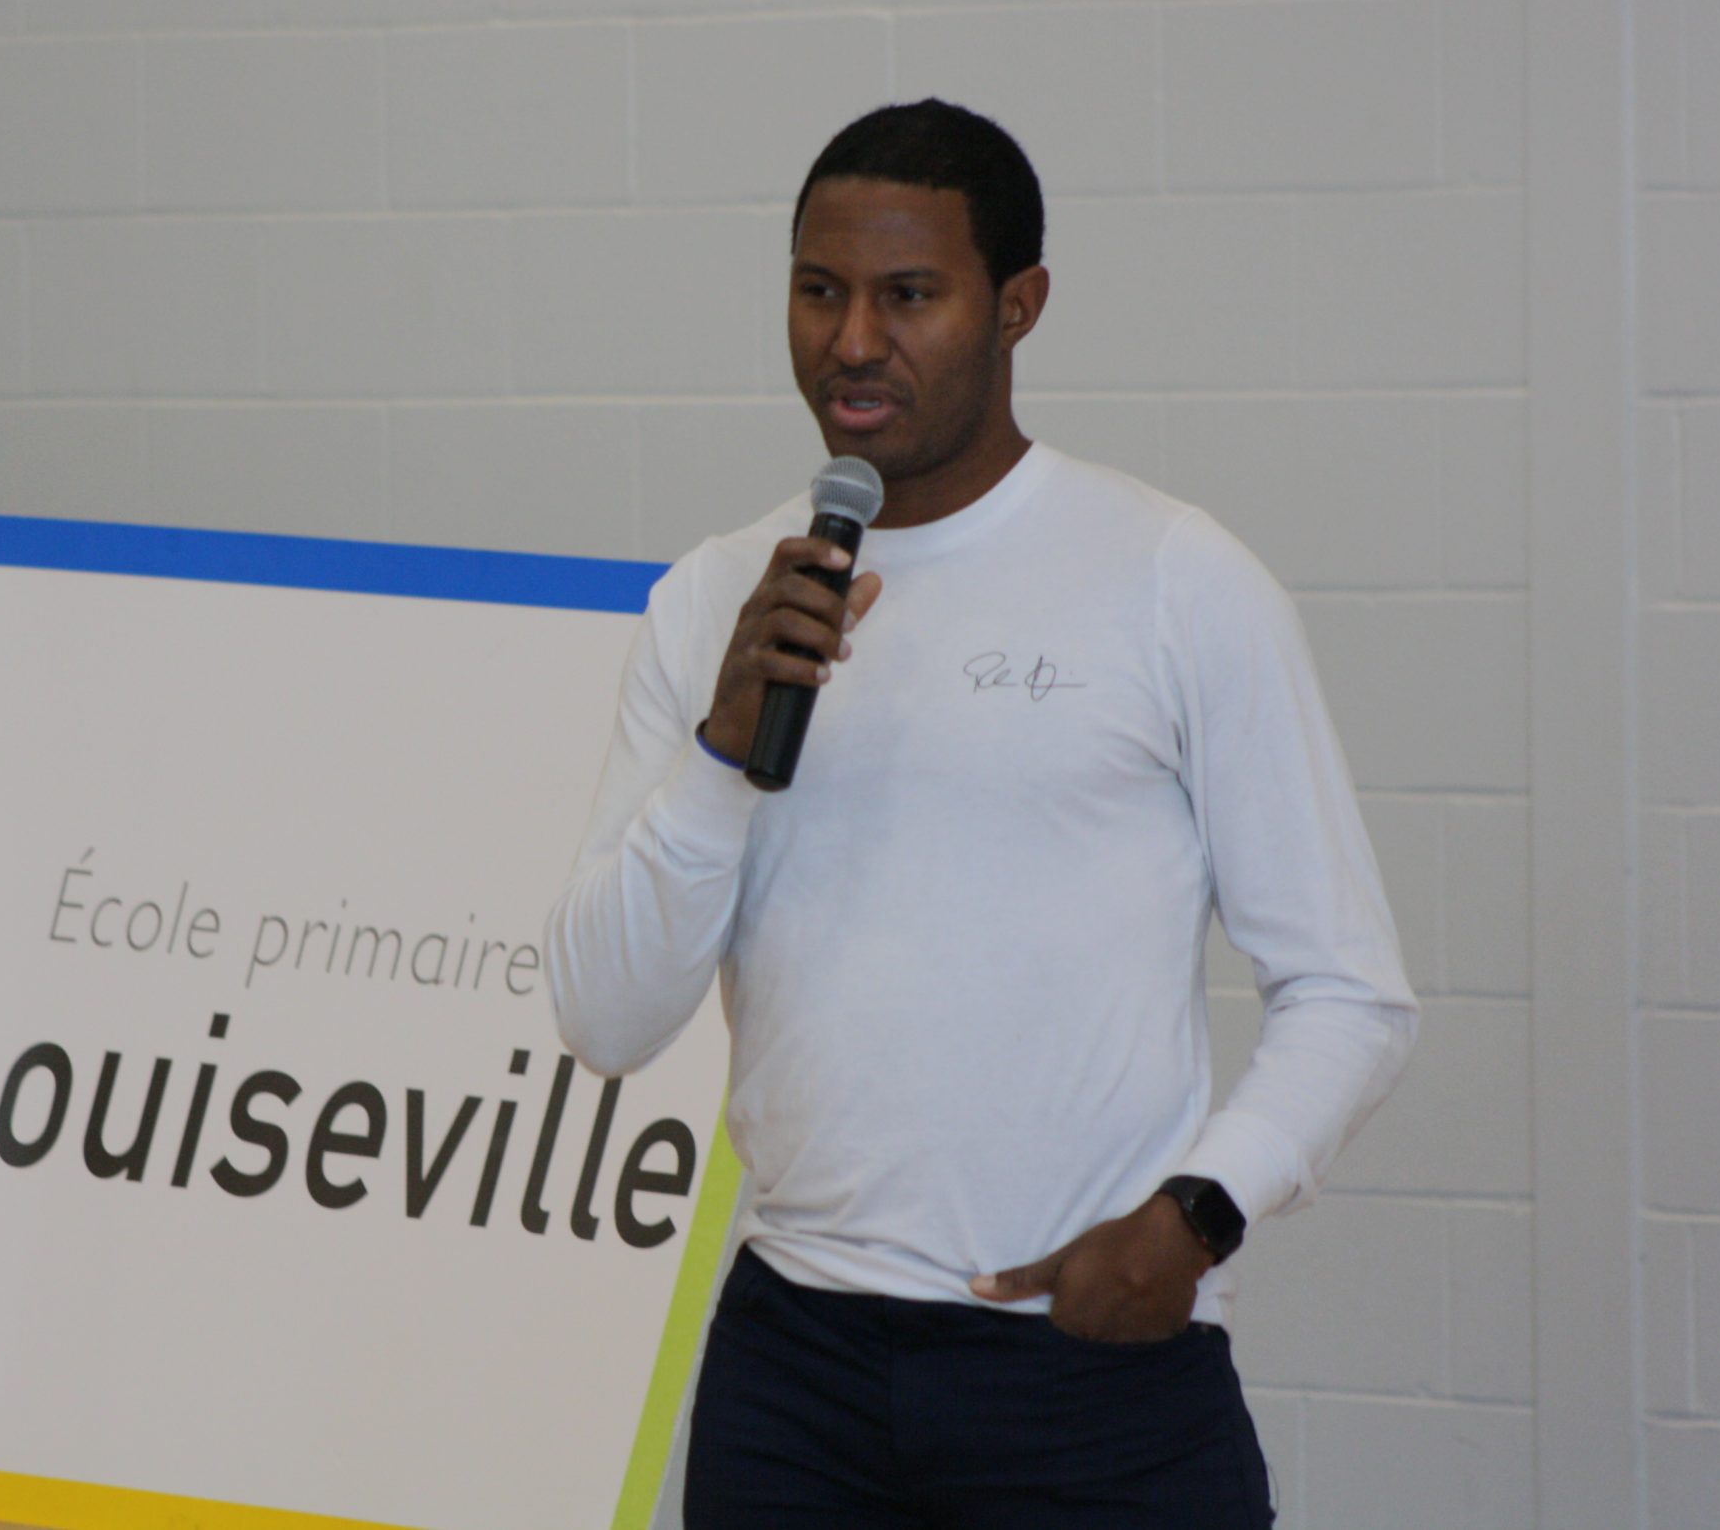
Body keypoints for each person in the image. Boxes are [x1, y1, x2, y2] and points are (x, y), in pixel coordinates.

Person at [544, 100, 1417, 1529]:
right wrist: (719, 749)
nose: (852, 342)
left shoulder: (1172, 578)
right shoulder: (715, 598)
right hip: (795, 1374)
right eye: (818, 292)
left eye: (908, 296)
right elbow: (606, 1017)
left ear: (1019, 306)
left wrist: (1197, 1217)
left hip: (1092, 1370)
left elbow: (1350, 992)